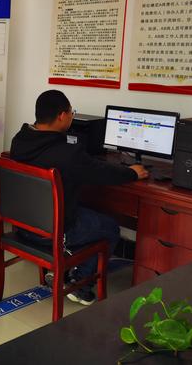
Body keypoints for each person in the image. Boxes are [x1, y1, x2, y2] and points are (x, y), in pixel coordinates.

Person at [9, 89, 149, 305]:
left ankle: (65, 269)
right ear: (62, 116)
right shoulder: (67, 153)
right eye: (71, 112)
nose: (71, 116)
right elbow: (102, 172)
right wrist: (132, 172)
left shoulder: (19, 140)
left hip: (24, 225)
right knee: (110, 227)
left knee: (88, 214)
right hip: (53, 232)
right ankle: (81, 284)